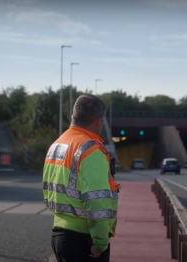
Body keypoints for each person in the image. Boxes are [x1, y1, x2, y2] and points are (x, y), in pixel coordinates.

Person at [43, 94, 119, 262]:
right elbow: (97, 200)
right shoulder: (91, 151)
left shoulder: (56, 145)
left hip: (59, 235)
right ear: (98, 121)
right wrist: (100, 242)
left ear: (74, 116)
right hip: (85, 240)